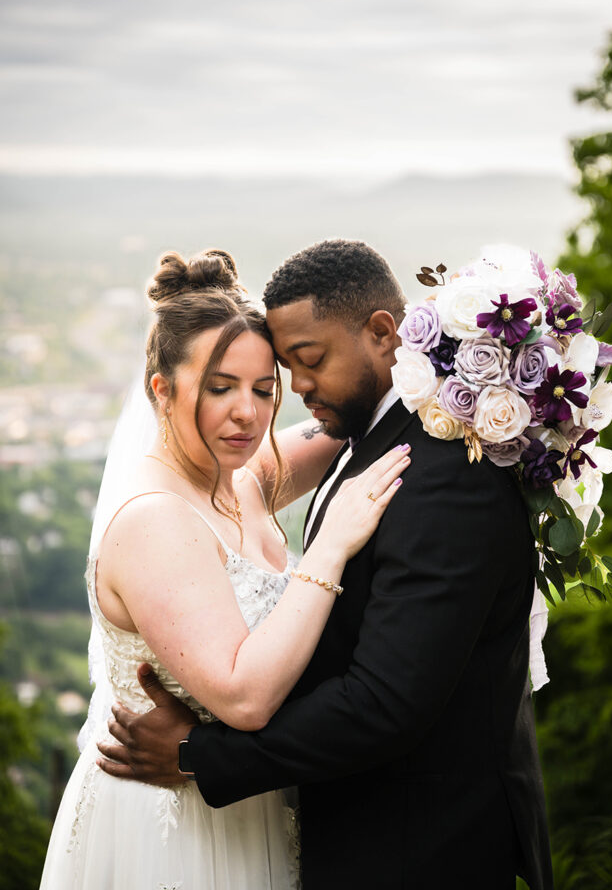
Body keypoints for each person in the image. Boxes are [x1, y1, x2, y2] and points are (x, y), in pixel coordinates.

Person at [99, 239, 554, 890]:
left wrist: (200, 756)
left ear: (380, 333)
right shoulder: (358, 432)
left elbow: (383, 702)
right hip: (192, 826)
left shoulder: (441, 477)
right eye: (224, 387)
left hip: (417, 846)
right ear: (163, 392)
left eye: (278, 379)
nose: (271, 403)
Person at [39, 248, 410, 890]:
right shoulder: (154, 518)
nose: (249, 412)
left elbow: (357, 420)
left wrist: (461, 377)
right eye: (220, 389)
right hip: (174, 830)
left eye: (265, 390)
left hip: (242, 800)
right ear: (162, 390)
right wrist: (330, 545)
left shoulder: (238, 479)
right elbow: (244, 697)